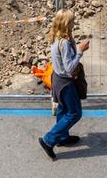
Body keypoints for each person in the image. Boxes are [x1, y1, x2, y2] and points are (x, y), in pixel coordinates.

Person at [38, 9, 89, 160]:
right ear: (67, 24)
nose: (75, 23)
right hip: (65, 83)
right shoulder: (64, 43)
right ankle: (49, 140)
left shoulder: (57, 37)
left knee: (63, 109)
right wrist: (80, 51)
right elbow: (69, 67)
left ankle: (62, 137)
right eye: (72, 21)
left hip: (57, 79)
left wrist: (72, 38)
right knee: (74, 113)